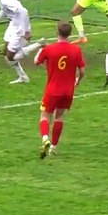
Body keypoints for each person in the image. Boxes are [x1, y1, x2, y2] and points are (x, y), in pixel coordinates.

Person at [34, 21, 85, 158]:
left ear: (57, 32)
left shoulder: (49, 49)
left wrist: (41, 47)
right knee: (59, 117)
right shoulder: (76, 50)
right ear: (69, 34)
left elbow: (36, 61)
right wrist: (77, 81)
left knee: (45, 116)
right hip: (68, 91)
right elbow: (82, 71)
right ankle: (54, 148)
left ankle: (45, 139)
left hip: (52, 89)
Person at [0, 0, 44, 84]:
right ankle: (22, 77)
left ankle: (39, 45)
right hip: (13, 23)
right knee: (5, 52)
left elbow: (23, 11)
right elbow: (4, 10)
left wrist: (26, 31)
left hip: (19, 26)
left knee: (10, 57)